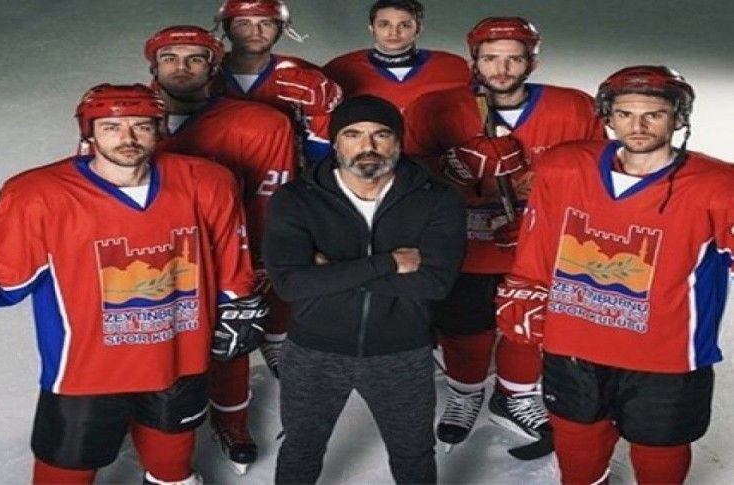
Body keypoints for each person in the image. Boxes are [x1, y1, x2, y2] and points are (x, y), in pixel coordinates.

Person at [0, 84, 263, 484]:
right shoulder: (39, 195)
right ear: (88, 132)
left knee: (172, 471)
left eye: (142, 126)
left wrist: (238, 301)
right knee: (63, 476)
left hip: (178, 361)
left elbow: (230, 256)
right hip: (86, 375)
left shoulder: (206, 181)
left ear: (159, 129)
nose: (128, 137)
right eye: (111, 127)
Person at [496, 65, 734, 484]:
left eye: (653, 114)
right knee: (577, 445)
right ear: (608, 115)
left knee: (659, 452)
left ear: (678, 117)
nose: (637, 126)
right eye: (625, 114)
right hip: (572, 345)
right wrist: (524, 286)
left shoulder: (718, 186)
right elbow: (540, 238)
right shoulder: (565, 166)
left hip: (666, 359)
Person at [403, 16, 605, 455]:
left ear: (533, 62)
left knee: (528, 323)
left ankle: (515, 395)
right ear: (473, 61)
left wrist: (544, 222)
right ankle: (465, 391)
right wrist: (452, 168)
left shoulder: (574, 108)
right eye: (491, 58)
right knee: (464, 324)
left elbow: (598, 179)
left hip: (537, 246)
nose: (502, 69)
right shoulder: (434, 107)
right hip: (463, 244)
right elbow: (405, 176)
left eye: (514, 59)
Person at [263, 95, 466, 484]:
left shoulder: (438, 198)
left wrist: (331, 274)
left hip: (401, 351)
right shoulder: (297, 198)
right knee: (301, 450)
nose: (367, 146)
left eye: (381, 134)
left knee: (413, 454)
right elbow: (290, 284)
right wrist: (387, 263)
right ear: (335, 143)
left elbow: (434, 284)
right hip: (314, 351)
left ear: (399, 141)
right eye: (353, 134)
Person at [144, 24, 296, 474]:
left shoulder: (260, 123)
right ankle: (153, 429)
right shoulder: (125, 119)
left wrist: (260, 261)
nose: (182, 67)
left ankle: (232, 422)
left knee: (230, 339)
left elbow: (271, 197)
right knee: (149, 344)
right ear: (153, 66)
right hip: (148, 255)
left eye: (195, 58)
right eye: (170, 58)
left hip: (225, 252)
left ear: (214, 67)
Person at [212, 0, 342, 164]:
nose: (255, 31)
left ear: (280, 29)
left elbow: (322, 155)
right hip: (210, 172)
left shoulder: (306, 74)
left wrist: (321, 113)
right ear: (227, 28)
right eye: (243, 23)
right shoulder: (201, 73)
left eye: (266, 23)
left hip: (283, 172)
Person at [323, 0, 470, 114]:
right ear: (372, 29)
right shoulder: (340, 68)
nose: (394, 32)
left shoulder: (454, 67)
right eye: (384, 24)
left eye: (404, 25)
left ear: (418, 30)